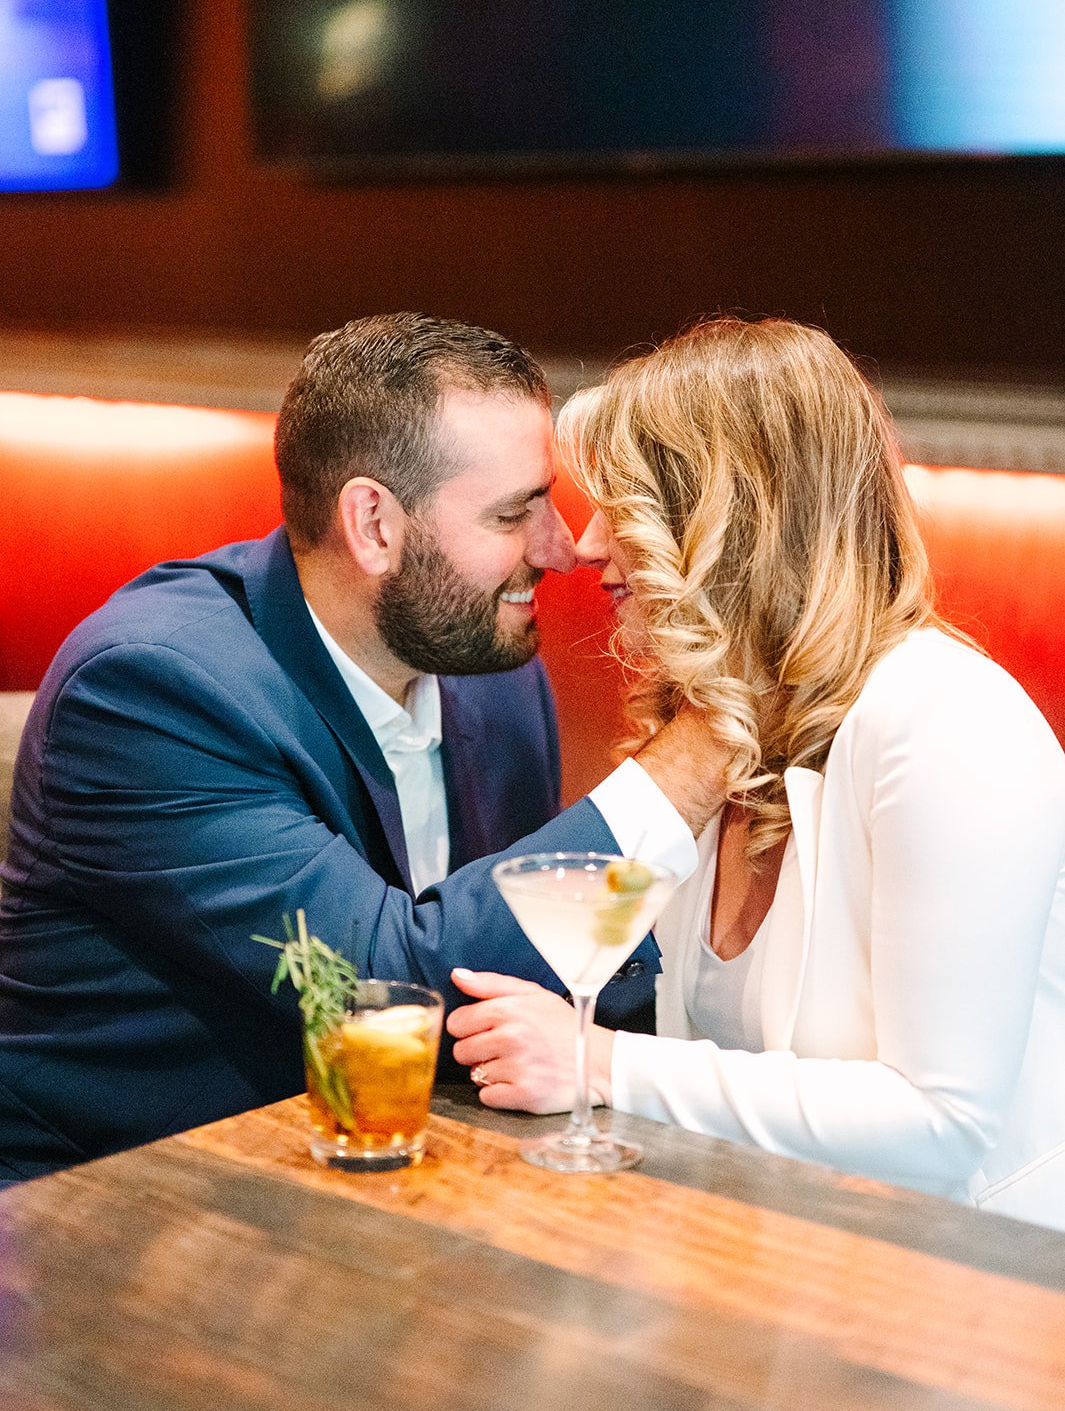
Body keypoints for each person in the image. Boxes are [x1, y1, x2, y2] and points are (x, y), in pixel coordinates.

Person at [0, 313, 723, 1184]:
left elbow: (517, 966)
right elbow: (387, 993)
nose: (559, 547)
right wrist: (708, 744)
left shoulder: (487, 669)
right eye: (513, 511)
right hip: (113, 1204)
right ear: (373, 522)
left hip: (392, 1167)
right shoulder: (153, 692)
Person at [447, 317, 1065, 1230]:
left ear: (729, 517)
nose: (582, 545)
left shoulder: (945, 721)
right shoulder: (720, 729)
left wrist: (601, 1063)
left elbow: (939, 1127)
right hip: (780, 1257)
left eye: (624, 501)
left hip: (974, 1294)